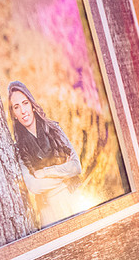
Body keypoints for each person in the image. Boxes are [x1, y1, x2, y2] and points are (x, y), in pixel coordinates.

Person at [8, 80, 83, 227]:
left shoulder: (54, 129)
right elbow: (34, 186)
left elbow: (76, 167)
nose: (23, 111)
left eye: (25, 103)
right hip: (49, 213)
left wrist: (45, 172)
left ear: (32, 105)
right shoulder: (19, 149)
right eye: (16, 107)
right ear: (14, 114)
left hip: (73, 200)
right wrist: (64, 174)